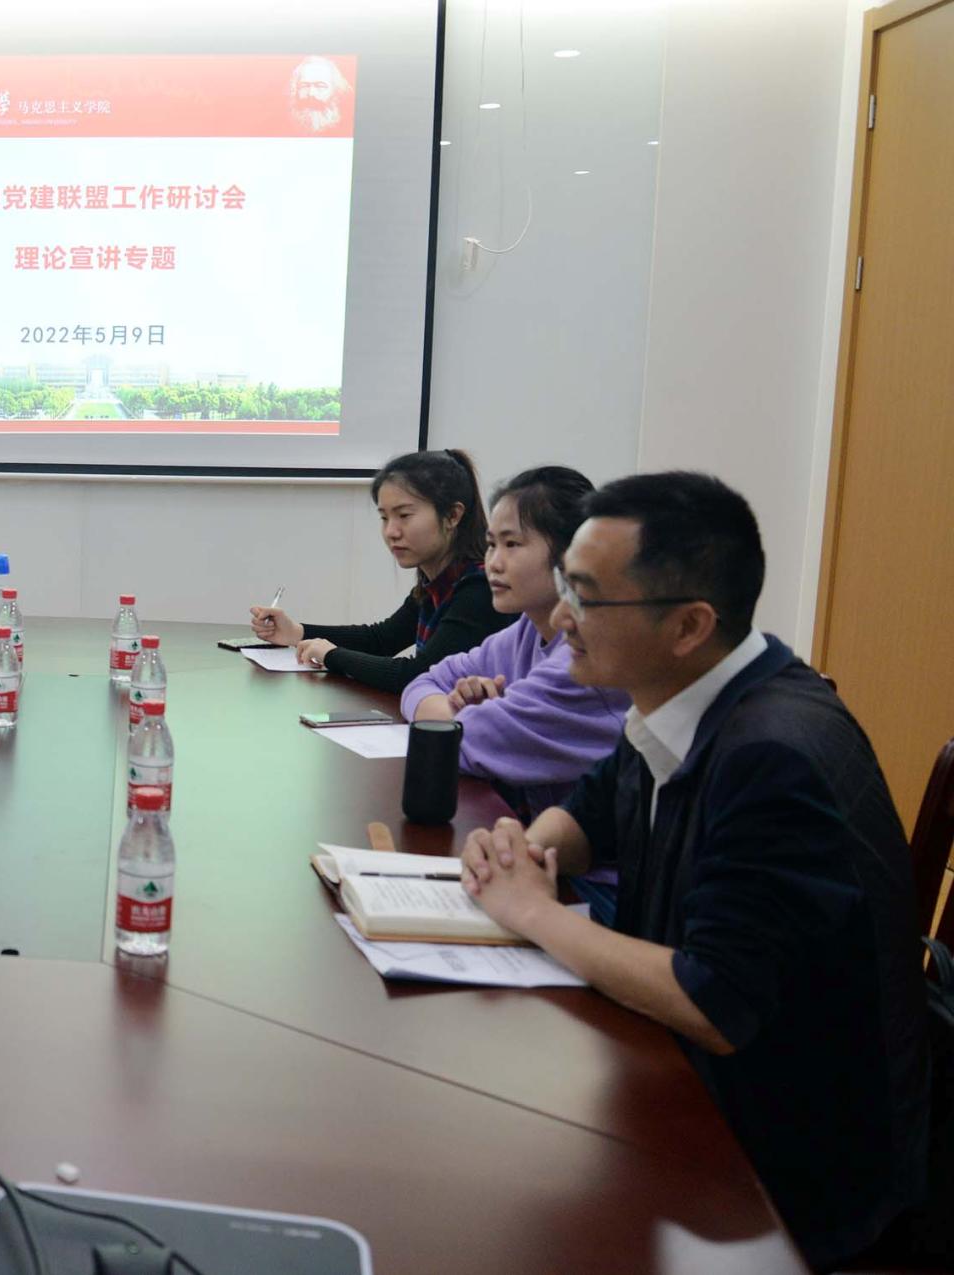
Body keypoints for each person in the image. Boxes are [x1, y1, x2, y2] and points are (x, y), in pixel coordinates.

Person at [458, 472, 929, 1270]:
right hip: (684, 1085)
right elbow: (591, 812)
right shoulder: (677, 694)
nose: (561, 619)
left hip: (781, 1178)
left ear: (688, 624)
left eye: (585, 597)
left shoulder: (773, 753)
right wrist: (525, 852)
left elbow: (715, 997)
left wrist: (533, 910)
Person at [400, 465, 629, 820]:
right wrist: (464, 715)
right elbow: (421, 683)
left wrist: (458, 720)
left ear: (572, 554)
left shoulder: (584, 658)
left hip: (590, 855)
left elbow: (461, 745)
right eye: (491, 544)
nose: (493, 563)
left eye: (512, 544)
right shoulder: (526, 631)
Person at [250, 448, 512, 693]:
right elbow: (381, 639)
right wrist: (296, 632)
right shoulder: (437, 582)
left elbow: (419, 674)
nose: (391, 532)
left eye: (404, 515)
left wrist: (331, 655)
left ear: (453, 516)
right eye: (384, 517)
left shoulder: (480, 587)